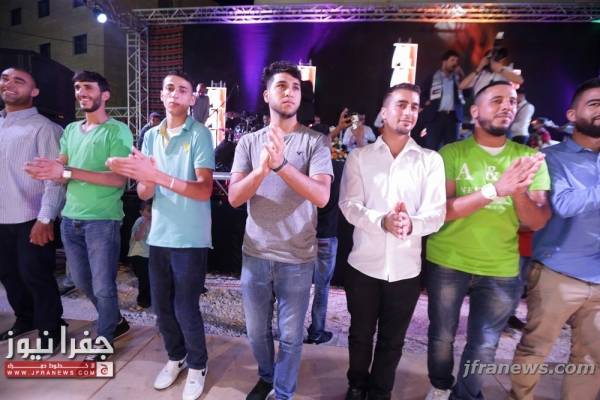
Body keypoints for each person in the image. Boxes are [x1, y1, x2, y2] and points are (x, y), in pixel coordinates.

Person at [424, 81, 551, 400]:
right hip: (448, 259)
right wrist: (496, 190)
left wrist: (517, 190)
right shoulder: (451, 153)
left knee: (484, 344)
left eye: (512, 101)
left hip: (500, 266)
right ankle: (440, 386)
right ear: (474, 111)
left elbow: (537, 221)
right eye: (497, 100)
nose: (507, 106)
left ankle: (464, 396)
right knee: (441, 336)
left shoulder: (528, 158)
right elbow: (441, 211)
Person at [228, 60, 332, 400]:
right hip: (255, 253)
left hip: (297, 257)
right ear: (266, 95)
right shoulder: (249, 143)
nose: (289, 92)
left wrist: (282, 165)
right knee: (257, 333)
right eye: (282, 86)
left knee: (290, 336)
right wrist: (262, 170)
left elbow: (321, 196)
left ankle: (283, 392)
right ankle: (267, 376)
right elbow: (234, 197)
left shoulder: (315, 142)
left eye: (295, 87)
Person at [107, 70, 214, 400]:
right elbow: (144, 192)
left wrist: (159, 176)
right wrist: (146, 178)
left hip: (190, 237)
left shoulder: (199, 134)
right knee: (160, 306)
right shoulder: (151, 135)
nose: (175, 94)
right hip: (159, 235)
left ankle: (198, 364)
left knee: (185, 306)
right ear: (162, 95)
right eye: (170, 88)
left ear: (191, 98)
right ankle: (176, 356)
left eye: (182, 90)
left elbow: (204, 189)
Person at [339, 83, 446, 400]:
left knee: (393, 339)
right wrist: (381, 221)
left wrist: (411, 223)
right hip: (364, 265)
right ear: (383, 113)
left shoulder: (430, 160)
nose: (409, 111)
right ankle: (356, 385)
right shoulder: (360, 157)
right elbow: (349, 205)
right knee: (360, 334)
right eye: (401, 104)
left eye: (414, 106)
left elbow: (437, 213)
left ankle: (381, 391)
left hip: (406, 269)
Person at [25, 70, 132, 360]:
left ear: (104, 95)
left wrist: (67, 171)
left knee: (103, 286)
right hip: (70, 219)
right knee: (83, 282)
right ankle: (116, 320)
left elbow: (117, 179)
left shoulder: (117, 131)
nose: (81, 92)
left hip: (103, 221)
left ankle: (105, 338)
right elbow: (60, 167)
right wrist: (47, 170)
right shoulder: (71, 130)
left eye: (88, 87)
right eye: (77, 88)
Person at [510, 77, 600, 400]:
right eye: (595, 103)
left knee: (590, 358)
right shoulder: (552, 157)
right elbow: (564, 204)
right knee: (535, 349)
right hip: (557, 272)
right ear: (572, 115)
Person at [0, 67, 65, 356]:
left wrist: (46, 218)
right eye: (5, 78)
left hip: (31, 217)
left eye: (19, 81)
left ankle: (52, 328)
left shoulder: (44, 128)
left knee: (36, 276)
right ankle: (25, 318)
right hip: (1, 217)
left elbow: (55, 179)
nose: (9, 84)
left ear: (34, 91)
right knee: (8, 275)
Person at [305, 109, 352, 345]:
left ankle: (290, 330)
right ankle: (317, 331)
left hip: (303, 235)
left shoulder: (301, 168)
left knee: (297, 286)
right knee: (321, 288)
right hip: (327, 235)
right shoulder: (340, 168)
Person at [420, 50, 465, 150]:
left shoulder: (458, 79)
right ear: (444, 62)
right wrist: (426, 102)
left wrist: (462, 76)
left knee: (451, 149)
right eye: (452, 60)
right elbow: (421, 94)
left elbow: (467, 94)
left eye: (457, 61)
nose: (455, 63)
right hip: (435, 117)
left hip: (453, 118)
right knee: (431, 147)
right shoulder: (433, 77)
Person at [459, 47, 524, 96]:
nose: (497, 60)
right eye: (493, 58)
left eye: (498, 57)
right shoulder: (480, 73)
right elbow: (461, 86)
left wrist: (500, 70)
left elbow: (520, 80)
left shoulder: (504, 70)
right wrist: (479, 68)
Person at [127, 200, 152, 311]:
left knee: (150, 279)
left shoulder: (155, 221)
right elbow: (137, 237)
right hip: (139, 255)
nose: (151, 213)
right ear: (141, 212)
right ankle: (143, 301)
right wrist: (145, 222)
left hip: (149, 255)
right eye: (149, 211)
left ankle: (149, 299)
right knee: (144, 279)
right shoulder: (140, 221)